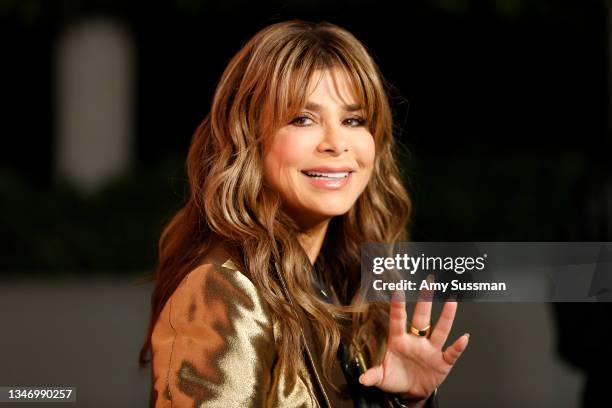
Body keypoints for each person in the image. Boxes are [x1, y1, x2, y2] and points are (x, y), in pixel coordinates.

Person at [139, 19, 469, 408]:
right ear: (248, 137)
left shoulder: (339, 279)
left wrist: (408, 401)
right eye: (302, 119)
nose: (336, 143)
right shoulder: (225, 288)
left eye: (353, 120)